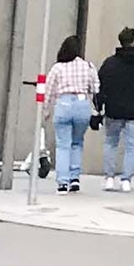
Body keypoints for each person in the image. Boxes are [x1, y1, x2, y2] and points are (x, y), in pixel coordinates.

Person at [97, 27, 134, 190]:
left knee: (111, 142)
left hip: (114, 110)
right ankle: (126, 180)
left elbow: (101, 87)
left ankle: (109, 178)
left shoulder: (110, 63)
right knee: (132, 145)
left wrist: (101, 105)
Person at [46, 37, 97, 194]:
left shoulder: (58, 67)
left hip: (64, 104)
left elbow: (49, 88)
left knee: (63, 145)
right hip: (82, 105)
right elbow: (95, 87)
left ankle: (62, 182)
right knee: (77, 142)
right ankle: (75, 178)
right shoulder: (88, 66)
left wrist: (46, 109)